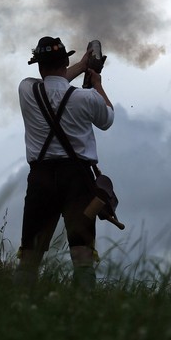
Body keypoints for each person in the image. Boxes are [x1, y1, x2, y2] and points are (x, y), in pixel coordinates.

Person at [15, 36, 114, 288]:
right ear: (65, 61)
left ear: (38, 66)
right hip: (78, 179)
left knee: (30, 252)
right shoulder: (87, 98)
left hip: (40, 177)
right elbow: (108, 118)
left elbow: (54, 84)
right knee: (81, 252)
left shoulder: (26, 88)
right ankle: (83, 308)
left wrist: (81, 67)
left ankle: (19, 307)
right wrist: (97, 83)